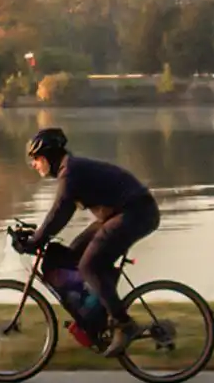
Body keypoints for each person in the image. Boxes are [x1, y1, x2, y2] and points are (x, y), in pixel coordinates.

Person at [20, 126, 160, 357]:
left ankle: (123, 325)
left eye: (35, 159)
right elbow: (60, 214)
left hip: (136, 212)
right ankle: (97, 317)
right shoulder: (71, 170)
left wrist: (36, 240)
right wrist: (39, 236)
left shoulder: (71, 172)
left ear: (47, 156)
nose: (34, 165)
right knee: (74, 256)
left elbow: (60, 212)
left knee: (88, 265)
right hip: (119, 213)